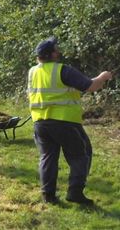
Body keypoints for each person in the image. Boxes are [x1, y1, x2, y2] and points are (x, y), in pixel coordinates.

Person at [28, 37, 112, 205]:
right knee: (81, 155)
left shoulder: (32, 71)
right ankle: (75, 192)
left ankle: (48, 196)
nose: (58, 51)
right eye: (56, 49)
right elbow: (91, 86)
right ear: (51, 54)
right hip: (64, 121)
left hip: (40, 122)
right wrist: (103, 77)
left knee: (47, 157)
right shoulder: (63, 70)